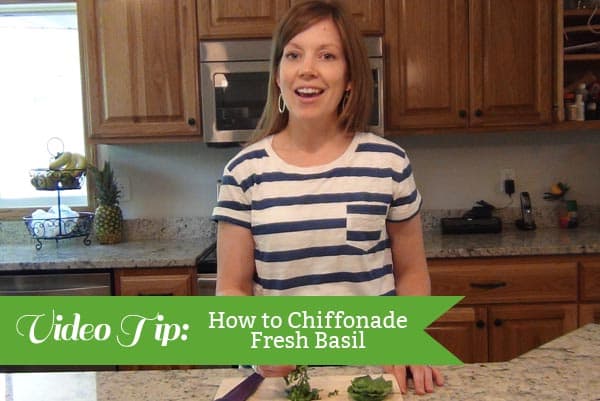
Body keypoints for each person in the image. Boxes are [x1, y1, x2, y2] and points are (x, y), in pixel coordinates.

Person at [212, 0, 443, 395]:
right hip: (282, 383)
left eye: (327, 55)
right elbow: (231, 289)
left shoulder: (388, 163)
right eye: (294, 55)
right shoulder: (243, 172)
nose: (307, 69)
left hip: (373, 377)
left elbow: (412, 273)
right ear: (278, 75)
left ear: (350, 77)